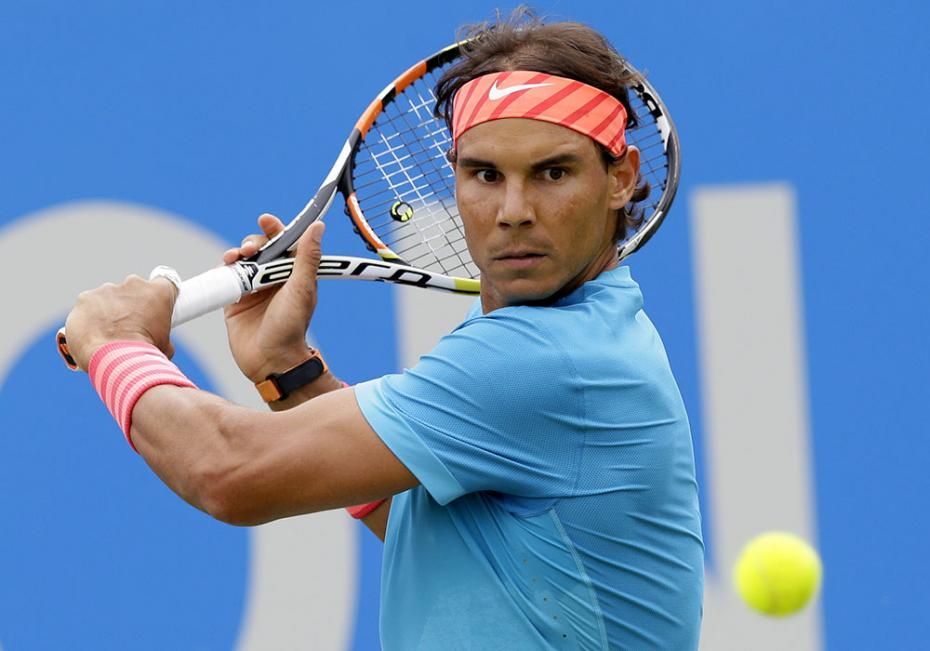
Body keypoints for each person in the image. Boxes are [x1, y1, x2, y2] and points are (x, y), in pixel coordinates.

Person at [64, 10, 704, 650]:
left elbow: (227, 472)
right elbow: (458, 548)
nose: (513, 212)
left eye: (552, 173)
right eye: (485, 175)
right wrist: (288, 371)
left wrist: (114, 343)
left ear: (619, 178)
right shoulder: (586, 337)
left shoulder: (545, 360)